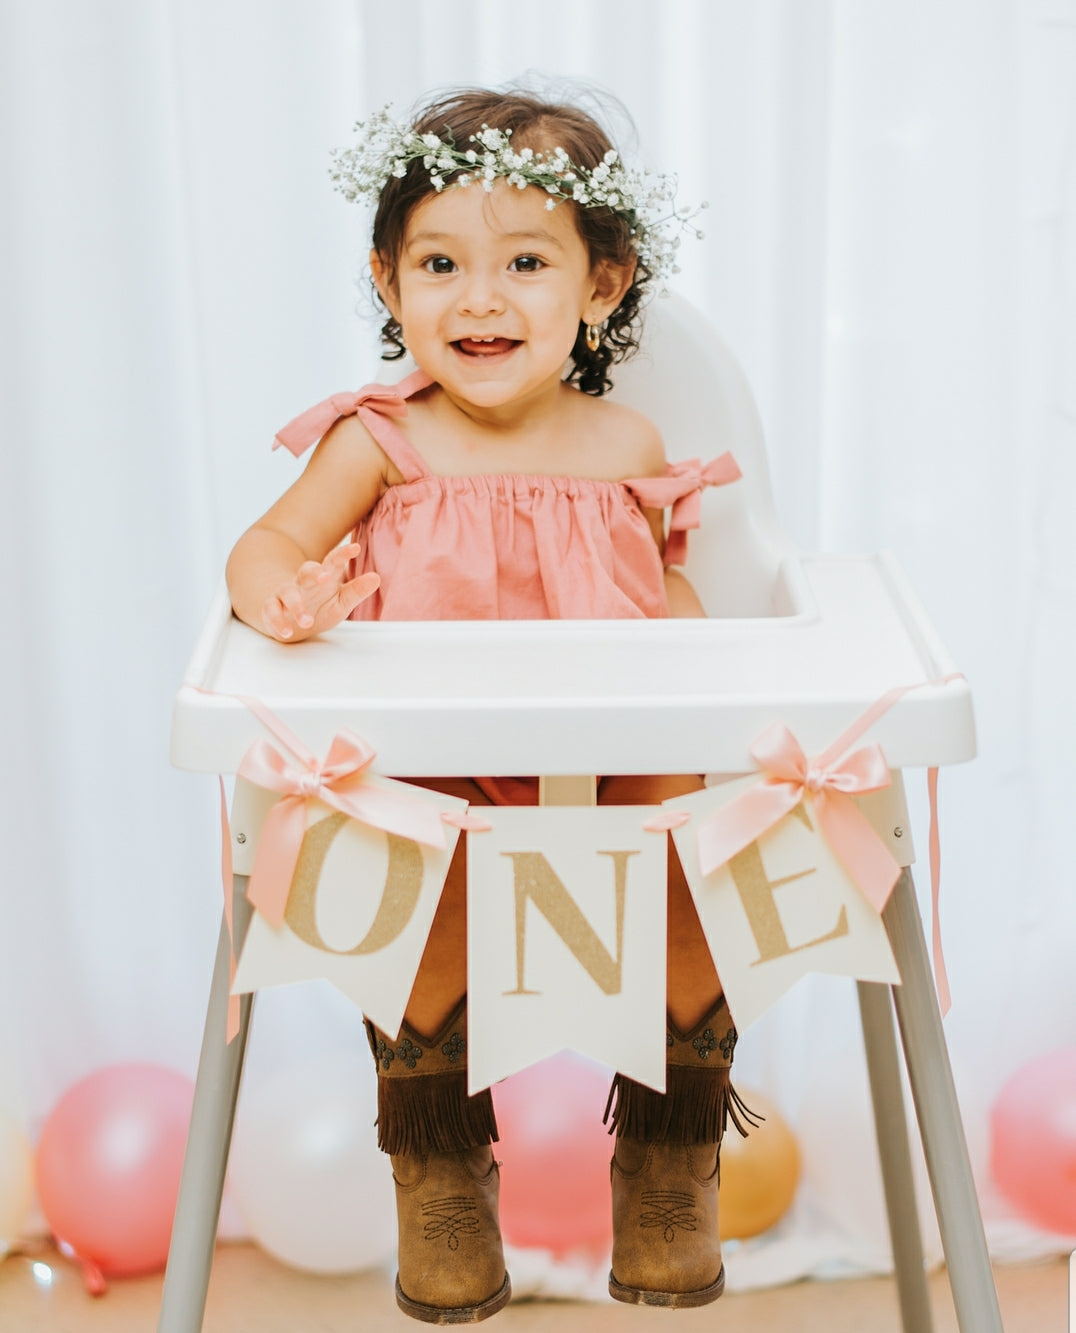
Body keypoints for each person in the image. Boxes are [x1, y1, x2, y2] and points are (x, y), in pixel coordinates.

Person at [226, 86, 752, 1323]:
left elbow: (660, 580)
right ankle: (438, 1161)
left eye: (525, 262)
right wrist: (284, 601)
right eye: (440, 263)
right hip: (439, 767)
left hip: (610, 758)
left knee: (691, 853)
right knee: (414, 885)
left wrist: (691, 650)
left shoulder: (625, 440)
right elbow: (266, 544)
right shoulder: (379, 442)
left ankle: (670, 1159)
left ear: (602, 286)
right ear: (387, 280)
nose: (480, 298)